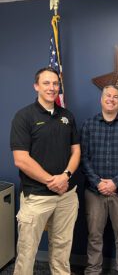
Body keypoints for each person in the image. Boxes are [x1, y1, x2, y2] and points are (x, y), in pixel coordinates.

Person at [10, 67, 80, 275]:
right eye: (46, 83)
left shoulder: (67, 116)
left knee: (61, 252)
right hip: (37, 198)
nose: (52, 88)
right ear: (36, 86)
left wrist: (65, 176)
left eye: (55, 84)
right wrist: (53, 181)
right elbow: (21, 160)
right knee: (27, 254)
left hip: (66, 196)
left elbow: (76, 151)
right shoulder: (23, 117)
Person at [81, 85, 118, 275]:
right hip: (94, 191)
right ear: (101, 98)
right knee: (94, 236)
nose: (111, 99)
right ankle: (93, 271)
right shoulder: (89, 124)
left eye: (116, 97)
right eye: (108, 95)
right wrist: (98, 182)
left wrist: (115, 182)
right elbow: (83, 157)